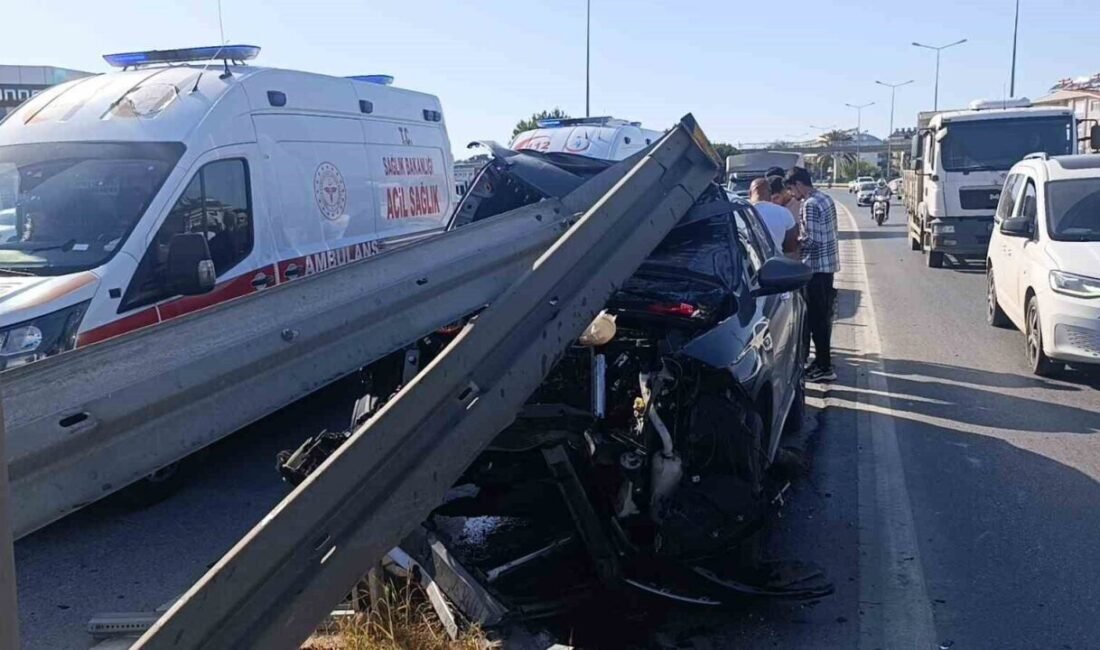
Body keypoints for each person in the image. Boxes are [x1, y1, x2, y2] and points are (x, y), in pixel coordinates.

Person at [785, 166, 839, 382]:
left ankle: (825, 367)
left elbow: (813, 240)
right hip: (828, 267)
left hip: (815, 269)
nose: (791, 195)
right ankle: (821, 363)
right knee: (822, 318)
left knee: (816, 320)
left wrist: (795, 242)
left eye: (791, 189)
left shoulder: (809, 204)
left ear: (798, 184)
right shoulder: (825, 198)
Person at [748, 177, 799, 257]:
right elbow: (791, 247)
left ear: (750, 194)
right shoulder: (784, 212)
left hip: (750, 265)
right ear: (770, 194)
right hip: (776, 264)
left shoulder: (742, 213)